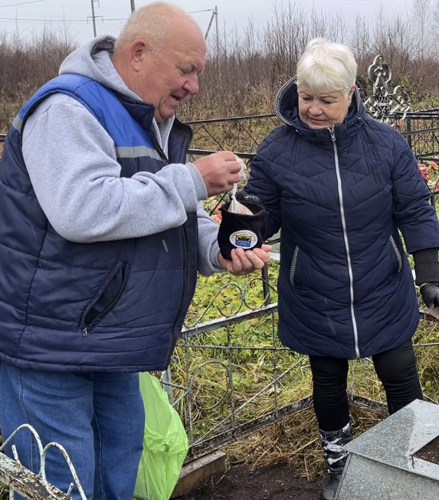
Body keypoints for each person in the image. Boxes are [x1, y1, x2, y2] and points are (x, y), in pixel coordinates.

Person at [0, 3, 270, 499]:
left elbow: (167, 211)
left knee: (116, 471)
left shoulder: (147, 120)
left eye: (198, 73)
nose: (194, 86)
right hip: (48, 344)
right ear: (139, 53)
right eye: (186, 70)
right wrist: (193, 178)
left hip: (110, 342)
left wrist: (216, 249)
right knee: (62, 483)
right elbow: (83, 209)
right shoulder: (67, 109)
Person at [244, 38, 439, 499]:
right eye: (305, 97)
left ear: (351, 93)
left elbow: (414, 210)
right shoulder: (277, 151)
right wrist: (244, 224)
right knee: (328, 379)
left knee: (400, 369)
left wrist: (430, 278)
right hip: (315, 287)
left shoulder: (386, 144)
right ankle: (339, 463)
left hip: (381, 281)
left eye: (326, 100)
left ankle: (407, 461)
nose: (313, 110)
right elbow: (262, 213)